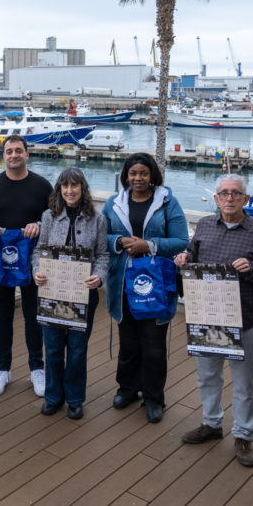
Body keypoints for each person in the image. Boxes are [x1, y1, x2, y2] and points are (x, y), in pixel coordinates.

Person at [174, 173, 253, 468]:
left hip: (244, 316)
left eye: (235, 193)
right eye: (224, 193)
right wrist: (183, 258)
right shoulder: (205, 224)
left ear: (246, 199)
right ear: (216, 199)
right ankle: (212, 423)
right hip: (206, 314)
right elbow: (191, 255)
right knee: (207, 375)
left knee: (245, 382)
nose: (229, 198)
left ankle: (243, 434)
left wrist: (252, 267)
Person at [102, 153, 188, 423]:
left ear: (153, 176)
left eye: (143, 173)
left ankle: (153, 397)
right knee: (128, 340)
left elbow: (181, 240)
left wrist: (149, 246)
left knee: (153, 343)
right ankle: (127, 388)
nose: (138, 178)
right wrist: (119, 241)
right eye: (133, 173)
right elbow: (99, 235)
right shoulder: (113, 204)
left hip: (155, 283)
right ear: (125, 175)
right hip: (123, 281)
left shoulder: (167, 203)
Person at [32, 167, 108, 420]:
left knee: (77, 349)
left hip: (84, 293)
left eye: (74, 186)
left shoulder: (97, 219)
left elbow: (103, 255)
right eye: (65, 186)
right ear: (59, 190)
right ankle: (54, 396)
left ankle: (75, 398)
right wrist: (37, 271)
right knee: (52, 347)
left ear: (82, 189)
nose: (70, 191)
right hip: (51, 291)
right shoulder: (49, 217)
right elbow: (38, 251)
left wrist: (100, 276)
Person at [0, 134, 52, 397]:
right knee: (3, 316)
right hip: (2, 262)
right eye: (9, 151)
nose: (14, 155)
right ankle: (3, 369)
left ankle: (37, 368)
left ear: (27, 154)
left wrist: (40, 225)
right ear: (3, 155)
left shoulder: (42, 186)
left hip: (34, 263)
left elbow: (56, 220)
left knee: (34, 315)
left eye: (18, 150)